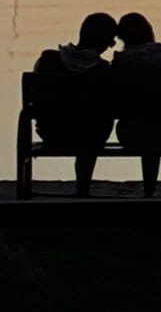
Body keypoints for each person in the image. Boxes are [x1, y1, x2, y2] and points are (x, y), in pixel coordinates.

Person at [31, 12, 118, 197]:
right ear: (102, 41)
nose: (111, 46)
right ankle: (82, 187)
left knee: (91, 123)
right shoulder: (103, 71)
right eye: (111, 41)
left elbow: (34, 99)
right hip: (89, 138)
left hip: (52, 133)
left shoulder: (48, 60)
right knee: (94, 125)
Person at [112, 12, 161, 197]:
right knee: (157, 123)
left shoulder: (120, 63)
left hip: (131, 135)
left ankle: (149, 189)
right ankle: (150, 189)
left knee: (146, 124)